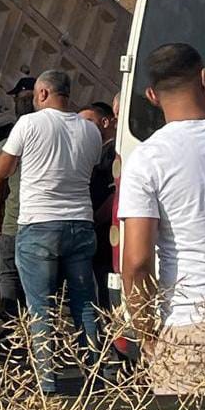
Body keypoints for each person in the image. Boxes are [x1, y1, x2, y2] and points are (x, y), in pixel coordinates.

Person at [120, 44, 205, 410]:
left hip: (189, 325)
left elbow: (137, 262)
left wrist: (148, 336)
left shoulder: (148, 159)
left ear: (150, 96)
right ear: (203, 78)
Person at [0, 69, 102, 394]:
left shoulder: (28, 125)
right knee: (84, 303)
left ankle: (47, 384)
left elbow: (0, 175)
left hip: (38, 225)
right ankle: (94, 377)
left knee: (40, 307)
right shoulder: (91, 131)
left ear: (42, 94)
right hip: (81, 225)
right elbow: (90, 174)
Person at [0, 79, 36, 332]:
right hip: (42, 221)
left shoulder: (7, 144)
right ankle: (39, 330)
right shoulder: (55, 138)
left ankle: (13, 330)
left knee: (8, 274)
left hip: (13, 220)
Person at [78, 100, 118, 308]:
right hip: (96, 231)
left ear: (105, 122)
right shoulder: (94, 153)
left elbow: (115, 195)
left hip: (105, 231)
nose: (82, 127)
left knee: (107, 284)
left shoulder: (113, 153)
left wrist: (94, 219)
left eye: (88, 122)